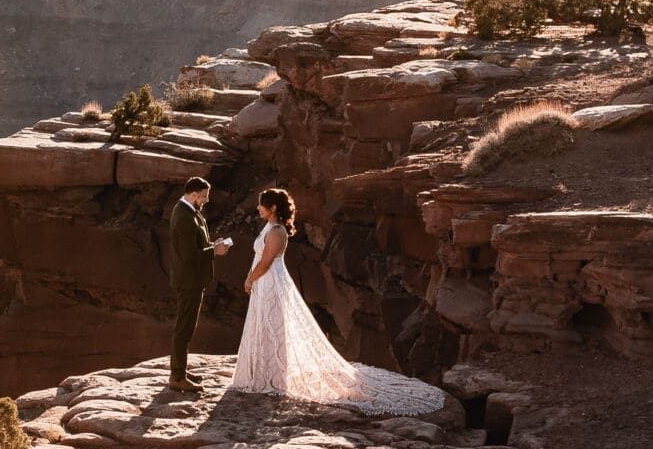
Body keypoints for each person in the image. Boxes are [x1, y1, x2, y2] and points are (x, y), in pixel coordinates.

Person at [227, 187, 444, 413]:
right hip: (264, 282)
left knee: (272, 325)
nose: (258, 207)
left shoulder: (277, 231)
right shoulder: (269, 226)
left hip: (270, 282)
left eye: (262, 204)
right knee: (262, 325)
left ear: (272, 207)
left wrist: (249, 279)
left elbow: (267, 261)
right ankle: (261, 371)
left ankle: (274, 376)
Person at [163, 177, 221, 391]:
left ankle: (180, 371)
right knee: (184, 328)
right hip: (188, 281)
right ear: (194, 194)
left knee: (187, 327)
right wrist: (215, 252)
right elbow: (189, 256)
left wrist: (213, 245)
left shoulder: (189, 211)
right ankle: (177, 377)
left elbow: (196, 245)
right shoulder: (184, 217)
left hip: (192, 280)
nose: (207, 200)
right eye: (204, 196)